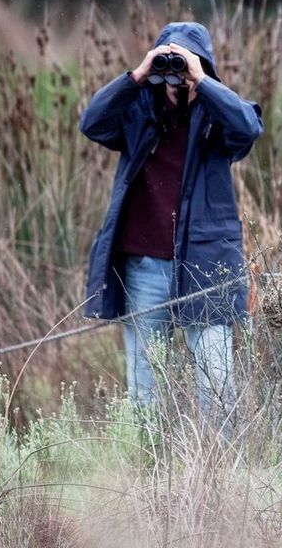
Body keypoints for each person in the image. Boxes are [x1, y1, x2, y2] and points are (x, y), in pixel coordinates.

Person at [80, 22, 263, 425]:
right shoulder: (138, 113)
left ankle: (222, 478)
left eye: (185, 64)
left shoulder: (219, 119)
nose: (176, 75)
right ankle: (150, 472)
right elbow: (91, 123)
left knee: (216, 384)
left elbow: (249, 128)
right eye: (170, 61)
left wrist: (203, 81)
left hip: (206, 263)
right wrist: (137, 76)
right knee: (145, 385)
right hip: (144, 265)